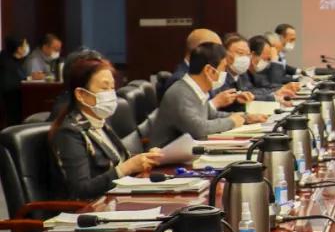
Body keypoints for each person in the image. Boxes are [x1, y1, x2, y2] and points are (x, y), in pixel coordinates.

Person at [49, 53, 163, 200]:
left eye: (112, 88)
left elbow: (119, 160)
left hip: (117, 198)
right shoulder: (69, 132)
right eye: (104, 88)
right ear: (81, 94)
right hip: (92, 208)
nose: (110, 94)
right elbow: (81, 190)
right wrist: (127, 168)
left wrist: (145, 159)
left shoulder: (99, 121)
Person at [150, 42, 267, 148]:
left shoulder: (196, 89)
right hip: (164, 158)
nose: (224, 73)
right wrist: (232, 122)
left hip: (188, 151)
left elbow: (212, 115)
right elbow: (198, 129)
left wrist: (245, 117)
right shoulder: (180, 93)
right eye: (223, 68)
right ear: (209, 70)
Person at [164, 28, 223, 93]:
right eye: (216, 49)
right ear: (199, 50)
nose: (219, 54)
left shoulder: (203, 73)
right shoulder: (179, 80)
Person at [0, 36, 30, 125]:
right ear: (18, 48)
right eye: (25, 45)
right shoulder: (5, 62)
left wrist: (29, 78)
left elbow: (20, 76)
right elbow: (10, 83)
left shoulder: (14, 60)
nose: (27, 47)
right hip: (9, 101)